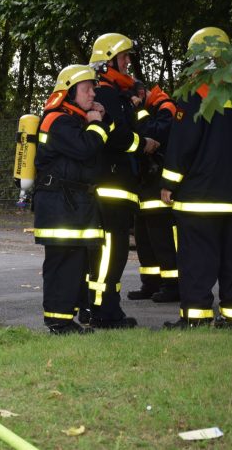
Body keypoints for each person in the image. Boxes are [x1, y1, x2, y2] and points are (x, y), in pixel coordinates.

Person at [161, 27, 232, 328]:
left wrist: (168, 183)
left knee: (197, 260)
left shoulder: (194, 93)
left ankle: (196, 316)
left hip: (199, 197)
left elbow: (181, 145)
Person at [87, 33, 159, 329]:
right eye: (124, 56)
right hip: (110, 184)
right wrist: (142, 144)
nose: (129, 61)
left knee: (112, 251)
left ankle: (107, 309)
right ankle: (103, 311)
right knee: (110, 251)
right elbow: (114, 137)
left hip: (118, 184)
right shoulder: (104, 92)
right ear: (108, 61)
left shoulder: (115, 93)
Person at [34, 65, 111, 334]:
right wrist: (98, 123)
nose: (92, 93)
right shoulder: (57, 120)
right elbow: (85, 148)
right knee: (63, 265)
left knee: (74, 264)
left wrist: (98, 120)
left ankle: (67, 318)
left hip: (70, 205)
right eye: (86, 88)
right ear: (69, 92)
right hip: (60, 207)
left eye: (93, 87)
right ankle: (58, 321)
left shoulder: (75, 120)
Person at [129, 85, 180, 302]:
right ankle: (150, 284)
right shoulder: (153, 109)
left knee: (162, 239)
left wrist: (138, 111)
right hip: (145, 184)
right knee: (144, 238)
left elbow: (155, 133)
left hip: (159, 183)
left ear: (141, 95)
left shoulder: (166, 107)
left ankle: (173, 285)